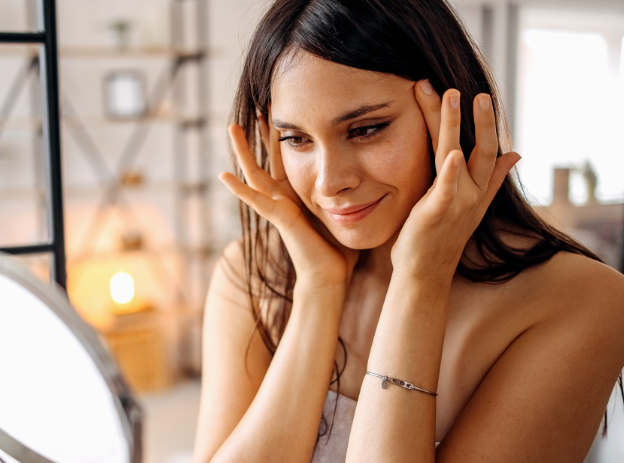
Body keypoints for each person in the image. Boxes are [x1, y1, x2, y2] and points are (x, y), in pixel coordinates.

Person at [192, 0, 624, 461]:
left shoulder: (581, 299)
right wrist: (319, 290)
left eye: (365, 129)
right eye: (296, 139)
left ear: (450, 114)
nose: (328, 182)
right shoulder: (253, 274)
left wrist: (421, 278)